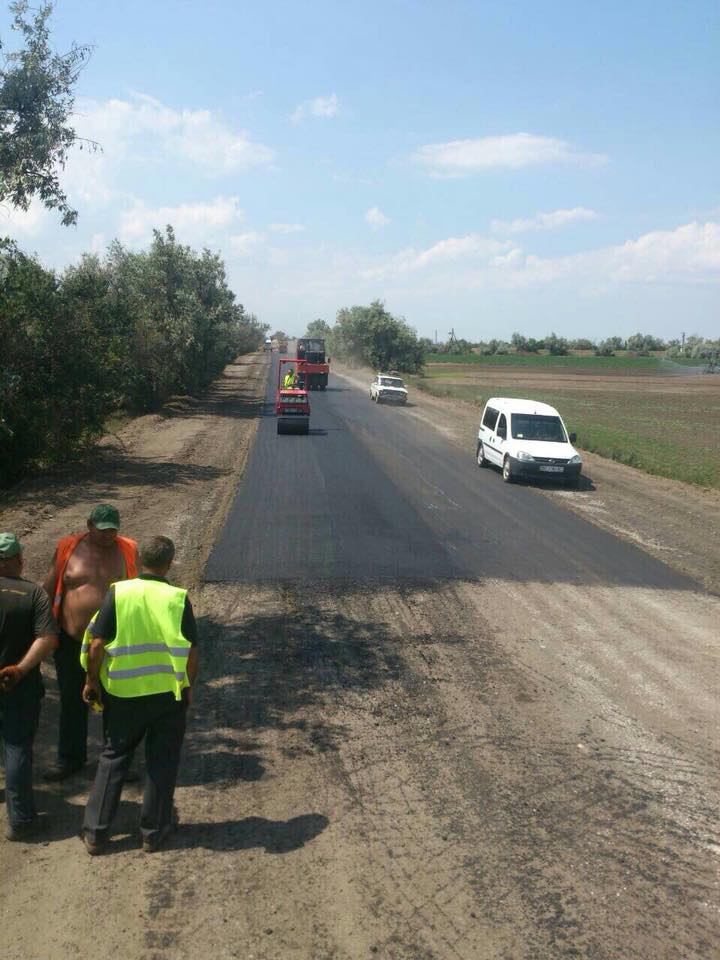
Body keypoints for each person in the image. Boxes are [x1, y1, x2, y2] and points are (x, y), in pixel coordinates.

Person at [80, 535, 198, 854]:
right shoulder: (177, 598)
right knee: (161, 761)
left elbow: (96, 644)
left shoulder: (119, 593)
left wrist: (92, 681)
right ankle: (153, 832)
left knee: (114, 757)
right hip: (166, 696)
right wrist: (187, 687)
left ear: (140, 560)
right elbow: (191, 651)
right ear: (169, 563)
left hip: (123, 695)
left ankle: (95, 833)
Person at [41, 504, 138, 781]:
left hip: (112, 643)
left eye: (112, 530)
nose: (108, 535)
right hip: (71, 640)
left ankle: (116, 762)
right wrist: (45, 632)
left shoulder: (128, 549)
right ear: (88, 524)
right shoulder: (67, 549)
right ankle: (70, 759)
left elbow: (138, 590)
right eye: (102, 529)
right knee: (72, 702)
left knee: (116, 702)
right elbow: (48, 589)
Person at [0, 534, 58, 841]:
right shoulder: (34, 594)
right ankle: (21, 820)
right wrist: (20, 670)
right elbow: (47, 639)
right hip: (16, 686)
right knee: (16, 747)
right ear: (19, 560)